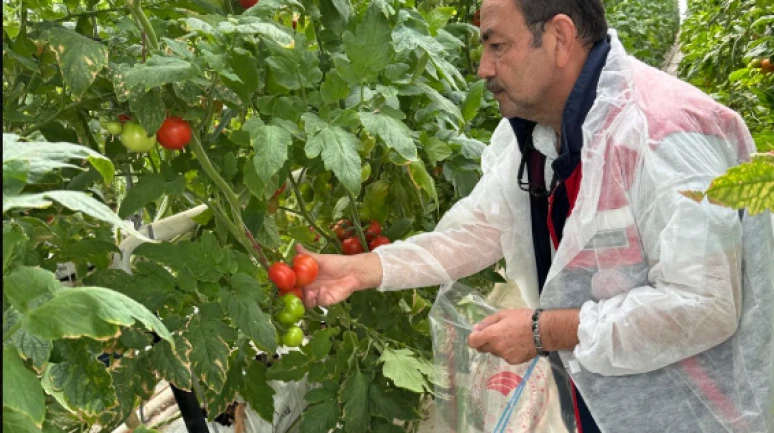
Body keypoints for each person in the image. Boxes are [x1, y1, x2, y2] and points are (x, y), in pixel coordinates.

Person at [295, 0, 774, 431]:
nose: (483, 68)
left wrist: (544, 330)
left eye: (497, 45)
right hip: (596, 396)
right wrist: (359, 270)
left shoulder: (664, 137)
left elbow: (704, 307)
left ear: (560, 38)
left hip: (694, 411)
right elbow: (481, 227)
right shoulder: (541, 131)